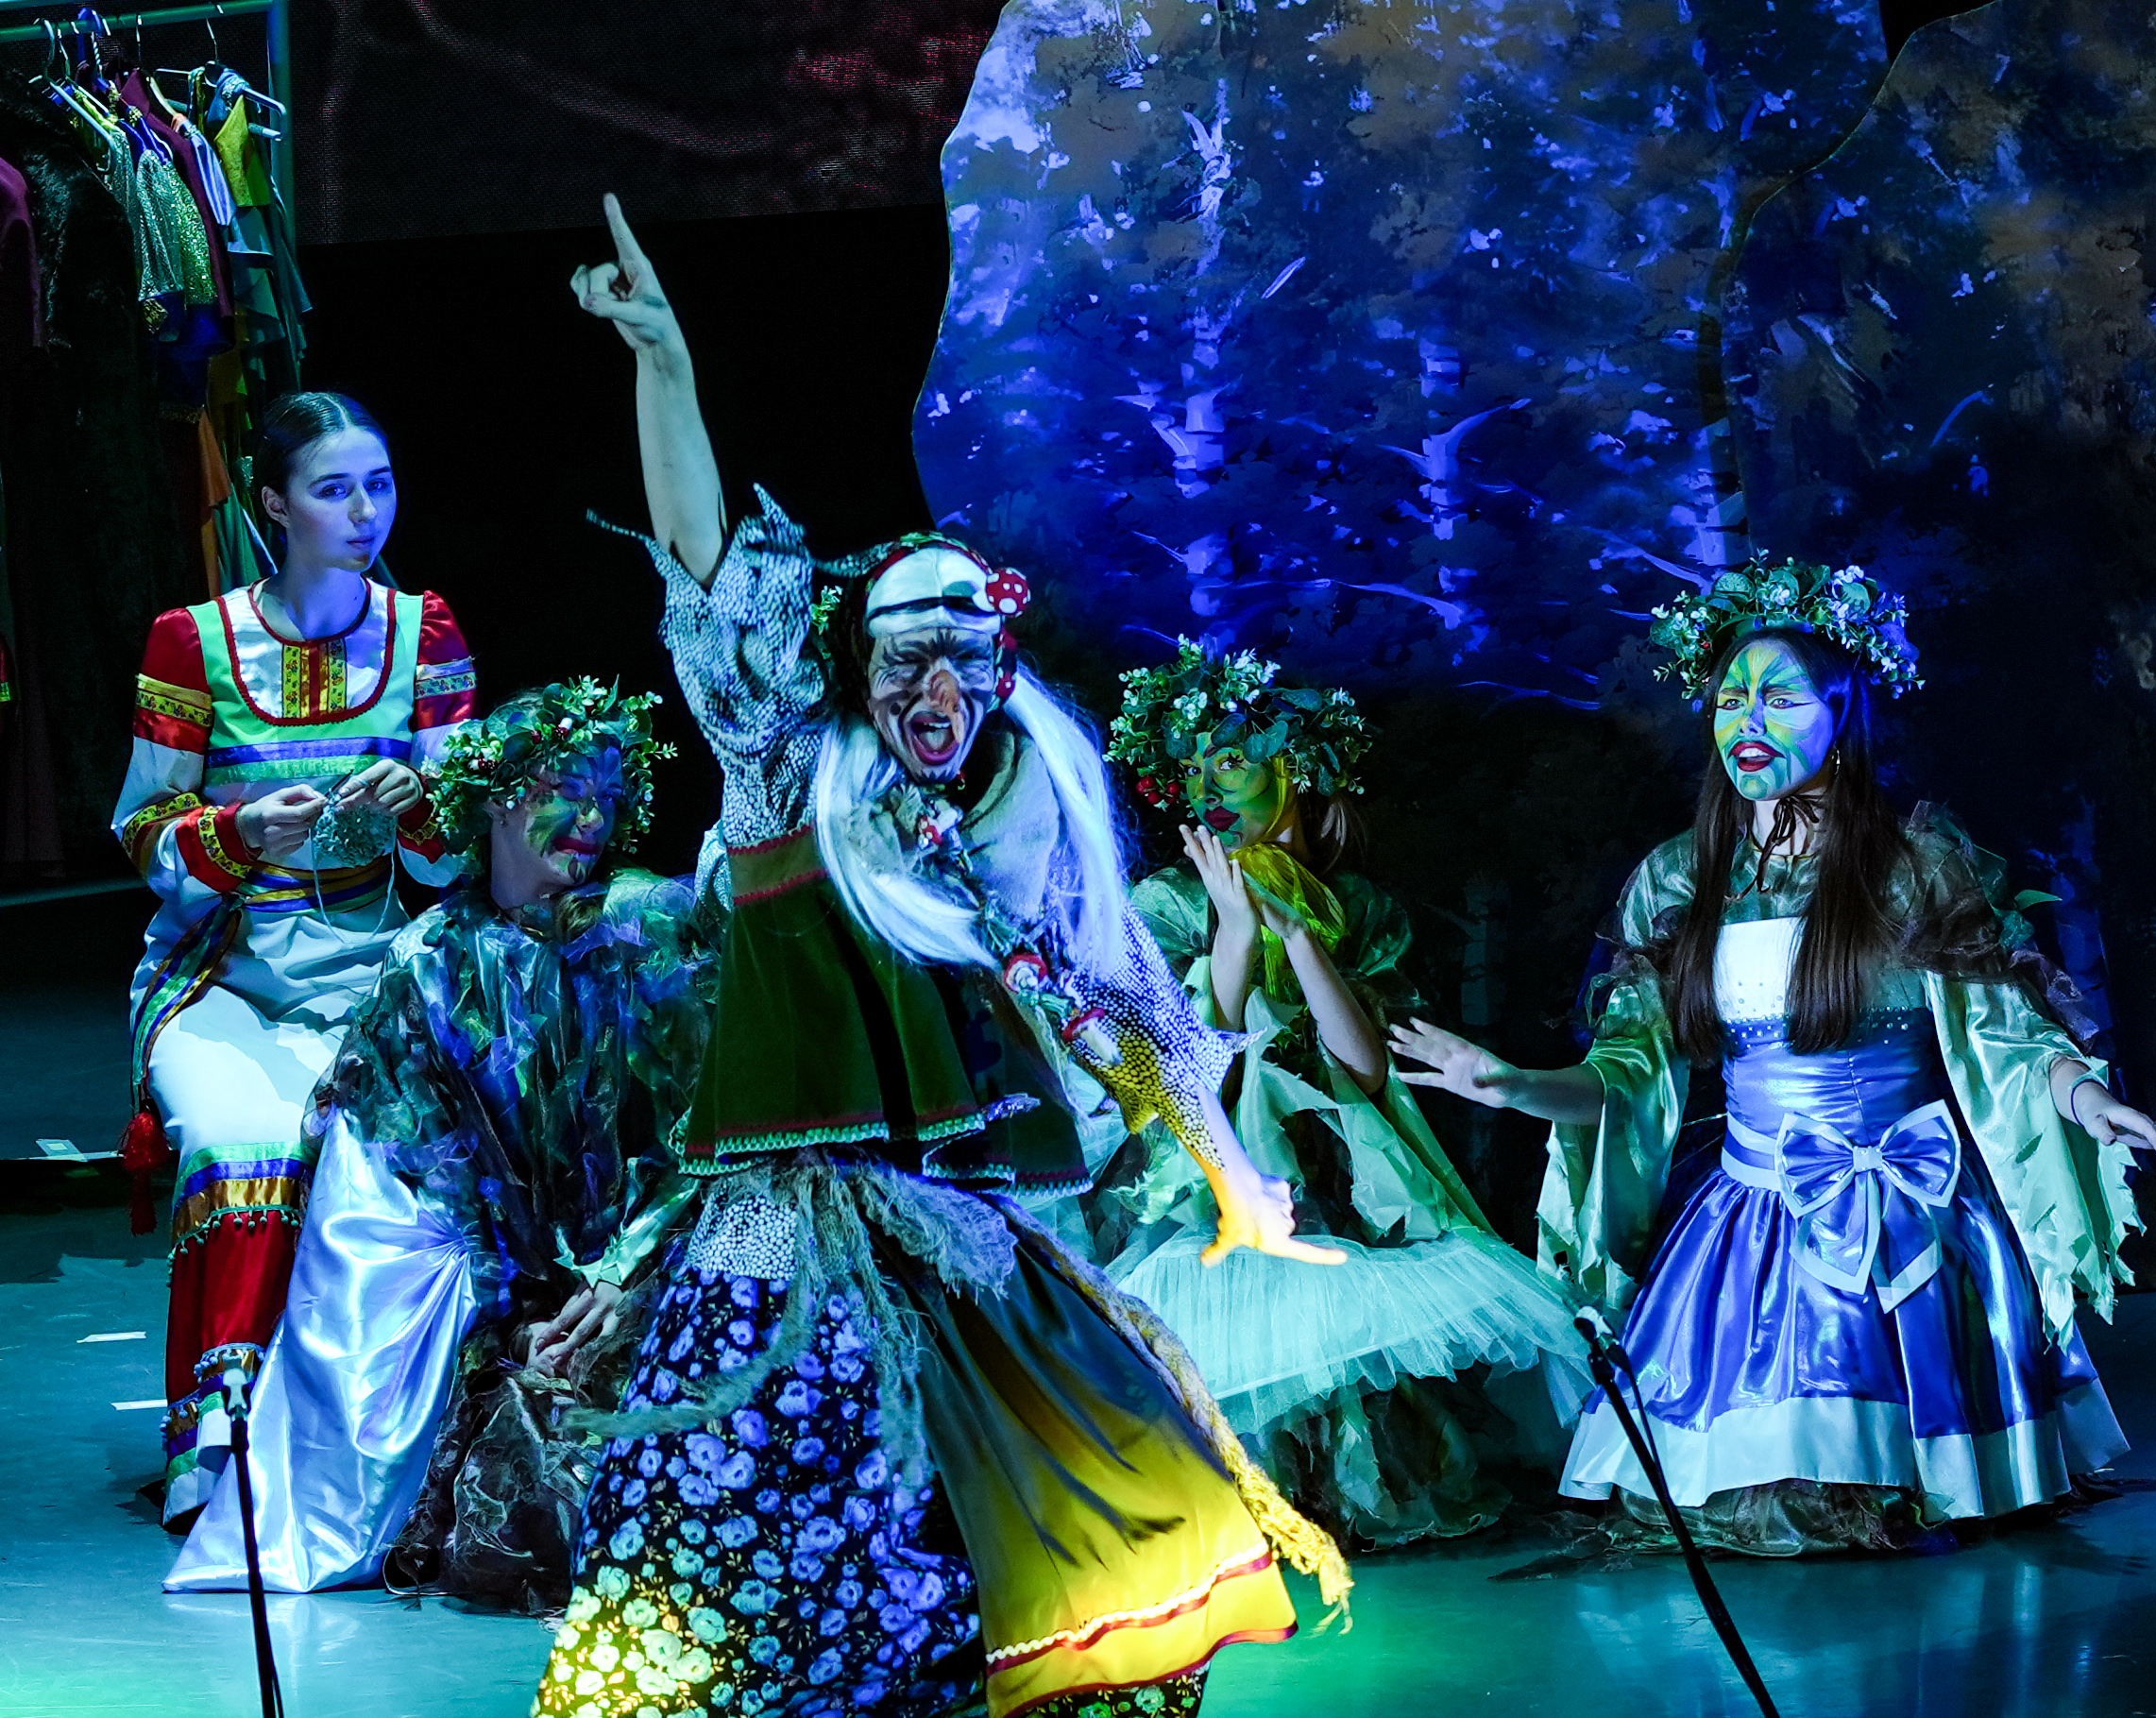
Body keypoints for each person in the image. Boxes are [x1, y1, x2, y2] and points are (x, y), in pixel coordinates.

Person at [531, 196, 1350, 1718]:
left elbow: (1132, 1000)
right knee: (755, 1551)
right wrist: (667, 369)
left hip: (964, 1228)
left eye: (965, 651)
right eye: (904, 651)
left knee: (1048, 1535)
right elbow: (702, 562)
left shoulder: (1025, 830)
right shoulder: (788, 777)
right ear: (854, 667)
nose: (937, 680)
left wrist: (1236, 1175)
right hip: (786, 1224)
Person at [1392, 556, 2156, 1554]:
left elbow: (2007, 1035)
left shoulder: (1912, 868)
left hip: (1913, 1214)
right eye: (1730, 700)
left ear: (1841, 712)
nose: (1747, 721)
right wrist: (1513, 1084)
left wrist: (2086, 1099)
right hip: (1751, 1215)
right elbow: (1628, 1074)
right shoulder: (1679, 880)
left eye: (1778, 698)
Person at [164, 681, 705, 1607]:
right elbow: (398, 1195)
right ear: (497, 798)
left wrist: (626, 1272)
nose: (592, 818)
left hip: (651, 1270)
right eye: (567, 789)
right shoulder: (431, 961)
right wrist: (512, 1317)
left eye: (610, 796)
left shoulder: (647, 928)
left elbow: (710, 1132)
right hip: (515, 1303)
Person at [1083, 639, 1589, 1546]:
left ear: (1292, 770)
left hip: (1337, 1162)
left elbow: (1366, 1069)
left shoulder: (1357, 904)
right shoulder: (1164, 904)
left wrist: (1299, 939)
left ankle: (1337, 1490)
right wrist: (1233, 939)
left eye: (1230, 760)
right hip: (1217, 1164)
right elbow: (1187, 1067)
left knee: (1345, 1320)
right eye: (1192, 768)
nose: (1206, 785)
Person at [113, 390, 476, 1527]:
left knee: (390, 1155)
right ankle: (217, 1442)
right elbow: (141, 833)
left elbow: (458, 849)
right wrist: (238, 834)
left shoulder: (425, 634)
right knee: (243, 1142)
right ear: (272, 504)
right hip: (229, 969)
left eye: (379, 484)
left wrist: (420, 806)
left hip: (378, 968)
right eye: (333, 489)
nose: (366, 511)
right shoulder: (193, 643)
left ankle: (372, 1442)